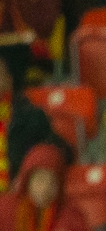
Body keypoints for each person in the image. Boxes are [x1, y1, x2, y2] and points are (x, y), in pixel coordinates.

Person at [0, 60, 61, 190]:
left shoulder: (32, 117)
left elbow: (58, 150)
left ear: (9, 80)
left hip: (19, 194)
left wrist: (29, 175)